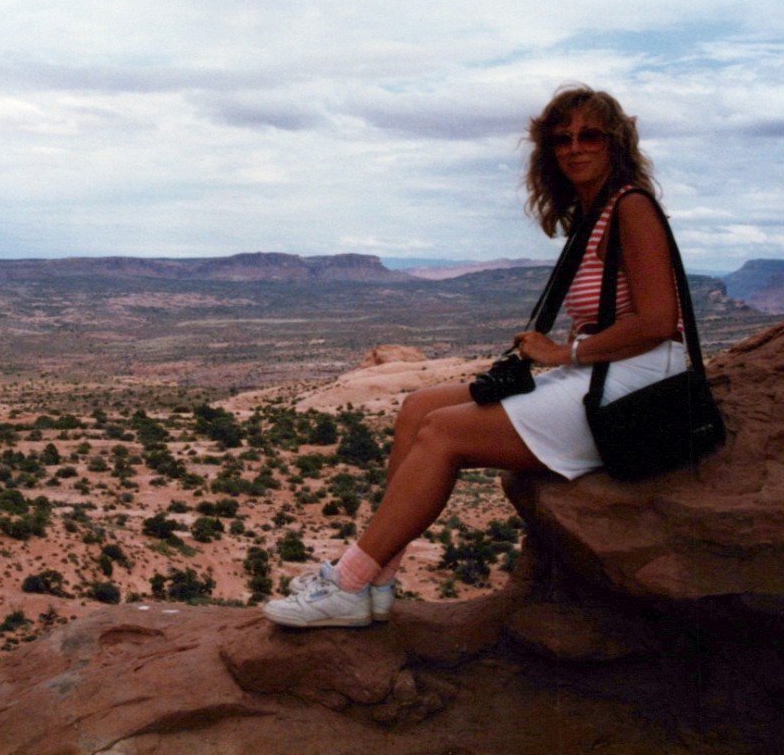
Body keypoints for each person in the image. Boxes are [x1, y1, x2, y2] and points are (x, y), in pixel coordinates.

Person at [262, 84, 685, 628]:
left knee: (444, 433)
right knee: (419, 406)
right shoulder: (595, 213)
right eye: (561, 138)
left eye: (589, 136)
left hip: (638, 380)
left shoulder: (632, 207)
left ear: (615, 142)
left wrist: (564, 352)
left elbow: (656, 321)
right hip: (603, 370)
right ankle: (378, 578)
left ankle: (346, 582)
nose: (574, 148)